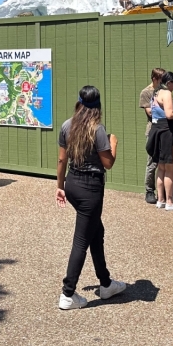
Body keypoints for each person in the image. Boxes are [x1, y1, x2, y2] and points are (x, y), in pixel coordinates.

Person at [56, 85, 127, 310]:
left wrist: (60, 187)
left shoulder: (67, 125)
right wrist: (113, 143)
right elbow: (108, 163)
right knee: (81, 240)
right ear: (98, 106)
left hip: (72, 184)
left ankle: (105, 283)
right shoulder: (97, 130)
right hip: (90, 190)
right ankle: (68, 293)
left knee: (96, 231)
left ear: (78, 102)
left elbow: (61, 161)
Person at [150, 72, 173, 211]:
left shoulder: (155, 93)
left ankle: (160, 200)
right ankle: (169, 202)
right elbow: (170, 115)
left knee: (161, 168)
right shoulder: (167, 93)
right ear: (169, 82)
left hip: (157, 132)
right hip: (168, 133)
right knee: (170, 169)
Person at [140, 67, 165, 204]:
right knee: (152, 161)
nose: (163, 83)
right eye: (161, 80)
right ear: (154, 79)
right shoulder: (146, 92)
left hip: (165, 129)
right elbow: (150, 112)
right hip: (153, 130)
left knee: (165, 160)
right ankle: (149, 190)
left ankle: (163, 191)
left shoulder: (164, 91)